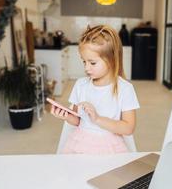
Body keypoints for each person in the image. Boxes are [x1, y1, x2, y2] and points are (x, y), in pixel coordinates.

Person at [50, 25, 140, 154]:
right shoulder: (80, 85)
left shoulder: (125, 89)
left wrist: (97, 119)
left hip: (109, 146)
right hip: (80, 143)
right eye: (84, 62)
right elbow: (78, 120)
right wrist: (66, 116)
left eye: (92, 63)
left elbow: (128, 128)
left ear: (112, 60)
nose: (87, 68)